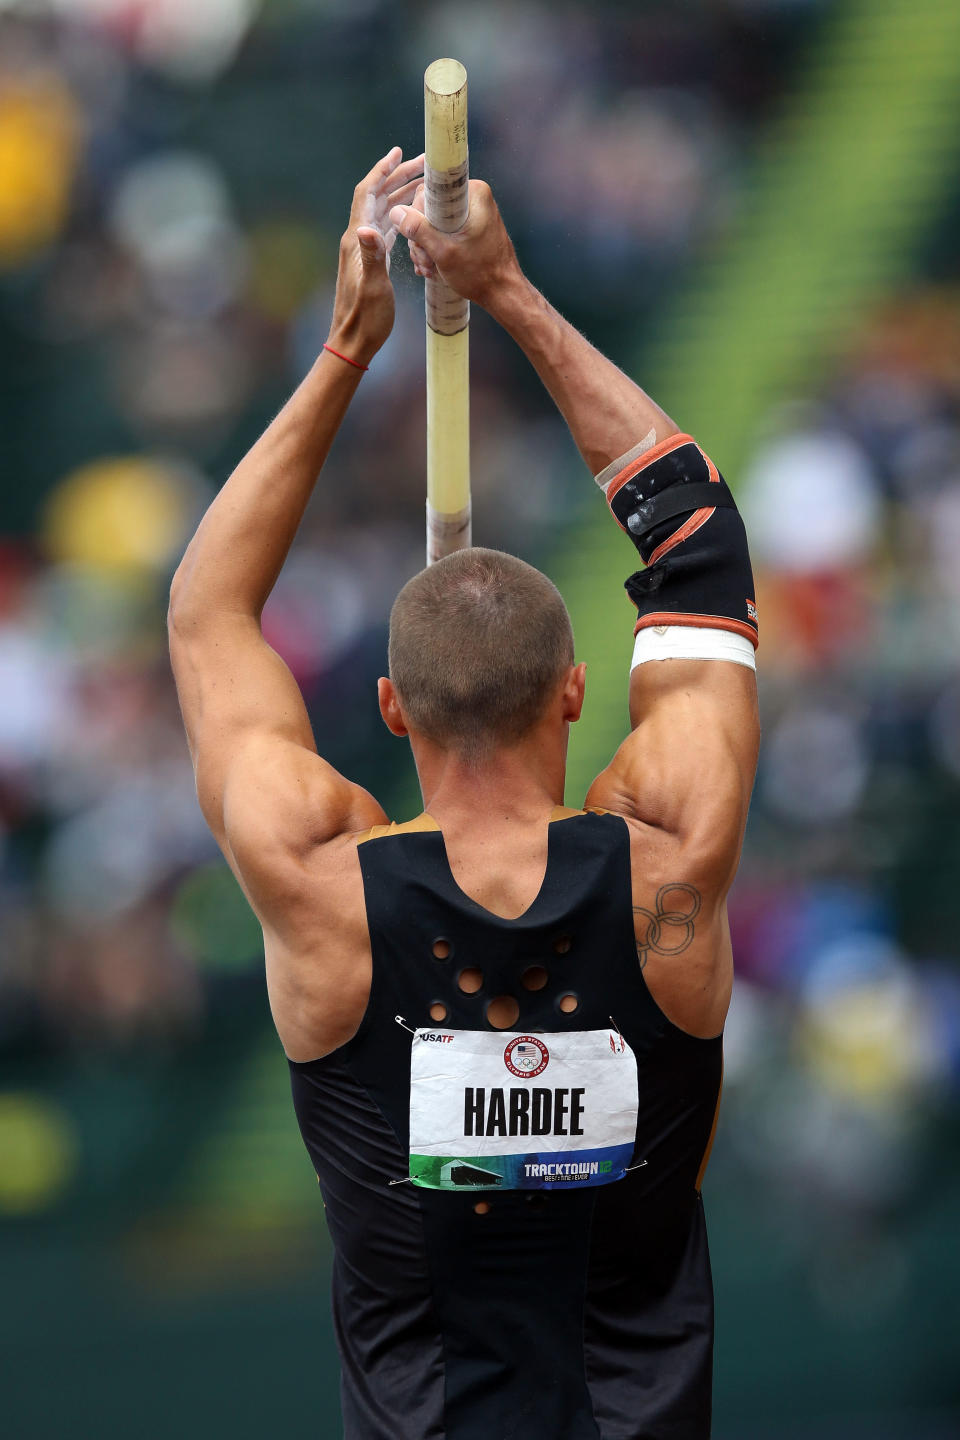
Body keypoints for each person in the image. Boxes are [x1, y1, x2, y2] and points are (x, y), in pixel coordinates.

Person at [168, 146, 760, 1440]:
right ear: (572, 694)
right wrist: (508, 291)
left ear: (389, 713)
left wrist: (344, 351)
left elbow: (208, 614)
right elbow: (699, 549)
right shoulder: (675, 856)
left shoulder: (323, 892)